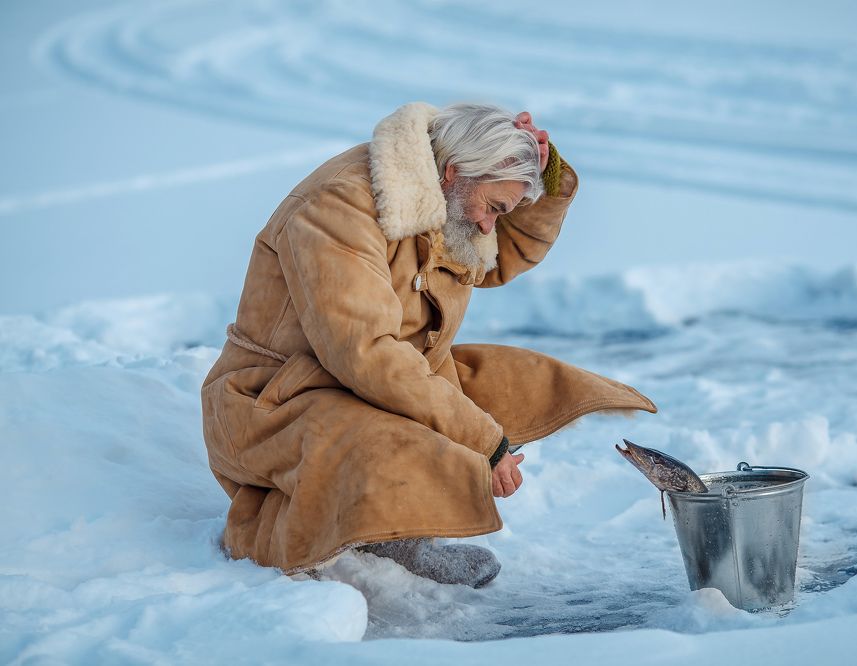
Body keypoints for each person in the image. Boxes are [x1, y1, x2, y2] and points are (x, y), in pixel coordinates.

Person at [200, 101, 657, 588]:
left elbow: (497, 257)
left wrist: (549, 175)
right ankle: (367, 537)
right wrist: (485, 441)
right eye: (494, 208)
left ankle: (392, 523)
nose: (490, 227)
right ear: (454, 172)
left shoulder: (443, 192)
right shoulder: (339, 204)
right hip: (273, 401)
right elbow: (368, 352)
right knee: (405, 436)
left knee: (516, 384)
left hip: (358, 380)